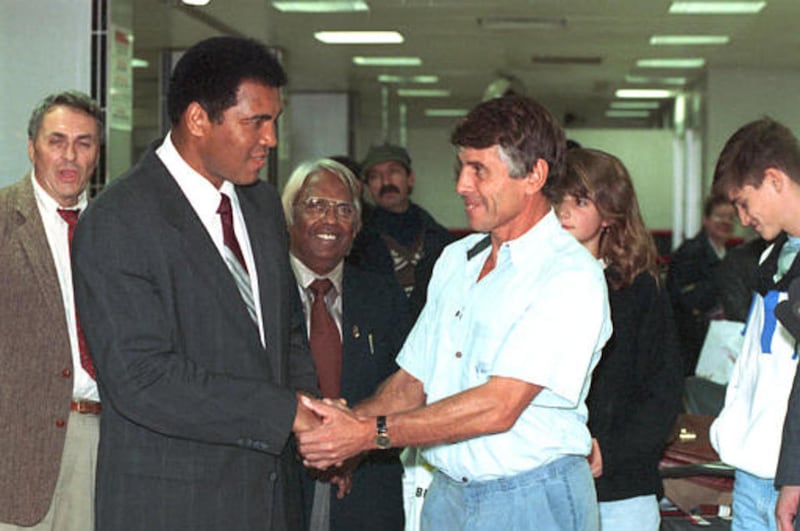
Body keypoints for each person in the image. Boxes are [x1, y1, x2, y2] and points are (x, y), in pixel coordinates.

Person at [297, 95, 612, 531]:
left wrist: (368, 434)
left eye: (479, 170)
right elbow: (412, 383)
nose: (462, 185)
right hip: (448, 497)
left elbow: (498, 407)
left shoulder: (568, 274)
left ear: (534, 175)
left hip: (530, 501)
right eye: (461, 168)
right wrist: (344, 425)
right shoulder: (456, 261)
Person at [71, 37, 320, 531]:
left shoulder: (262, 206)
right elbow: (143, 379)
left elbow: (287, 331)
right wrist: (283, 412)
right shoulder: (119, 219)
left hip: (272, 500)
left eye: (274, 121)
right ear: (198, 119)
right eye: (256, 122)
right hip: (175, 505)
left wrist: (311, 410)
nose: (270, 139)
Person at [554, 147, 683, 530]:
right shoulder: (534, 285)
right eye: (558, 200)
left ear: (610, 213)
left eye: (580, 201)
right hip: (548, 481)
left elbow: (662, 391)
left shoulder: (639, 290)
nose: (563, 212)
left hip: (622, 487)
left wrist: (610, 452)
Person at [282, 158, 409, 531]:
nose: (330, 220)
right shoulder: (259, 294)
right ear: (289, 218)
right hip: (278, 485)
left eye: (344, 210)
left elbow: (409, 389)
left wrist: (356, 446)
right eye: (315, 205)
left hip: (366, 488)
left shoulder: (384, 297)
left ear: (355, 229)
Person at [0, 91, 102, 531]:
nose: (70, 156)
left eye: (84, 143)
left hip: (99, 445)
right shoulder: (4, 219)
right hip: (13, 454)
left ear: (97, 154)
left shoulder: (115, 229)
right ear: (32, 148)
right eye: (56, 141)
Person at [707, 118, 800, 531]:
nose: (742, 219)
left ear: (775, 180)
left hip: (791, 477)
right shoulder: (767, 259)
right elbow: (750, 367)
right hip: (752, 468)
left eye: (744, 203)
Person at [347, 143, 453, 320]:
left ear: (410, 178)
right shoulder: (357, 245)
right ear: (367, 187)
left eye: (393, 172)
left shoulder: (440, 239)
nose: (386, 182)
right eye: (375, 176)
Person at [667, 194, 736, 375]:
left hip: (718, 339)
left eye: (730, 218)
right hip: (691, 342)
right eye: (720, 216)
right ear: (706, 219)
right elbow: (684, 299)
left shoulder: (730, 255)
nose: (726, 222)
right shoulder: (690, 253)